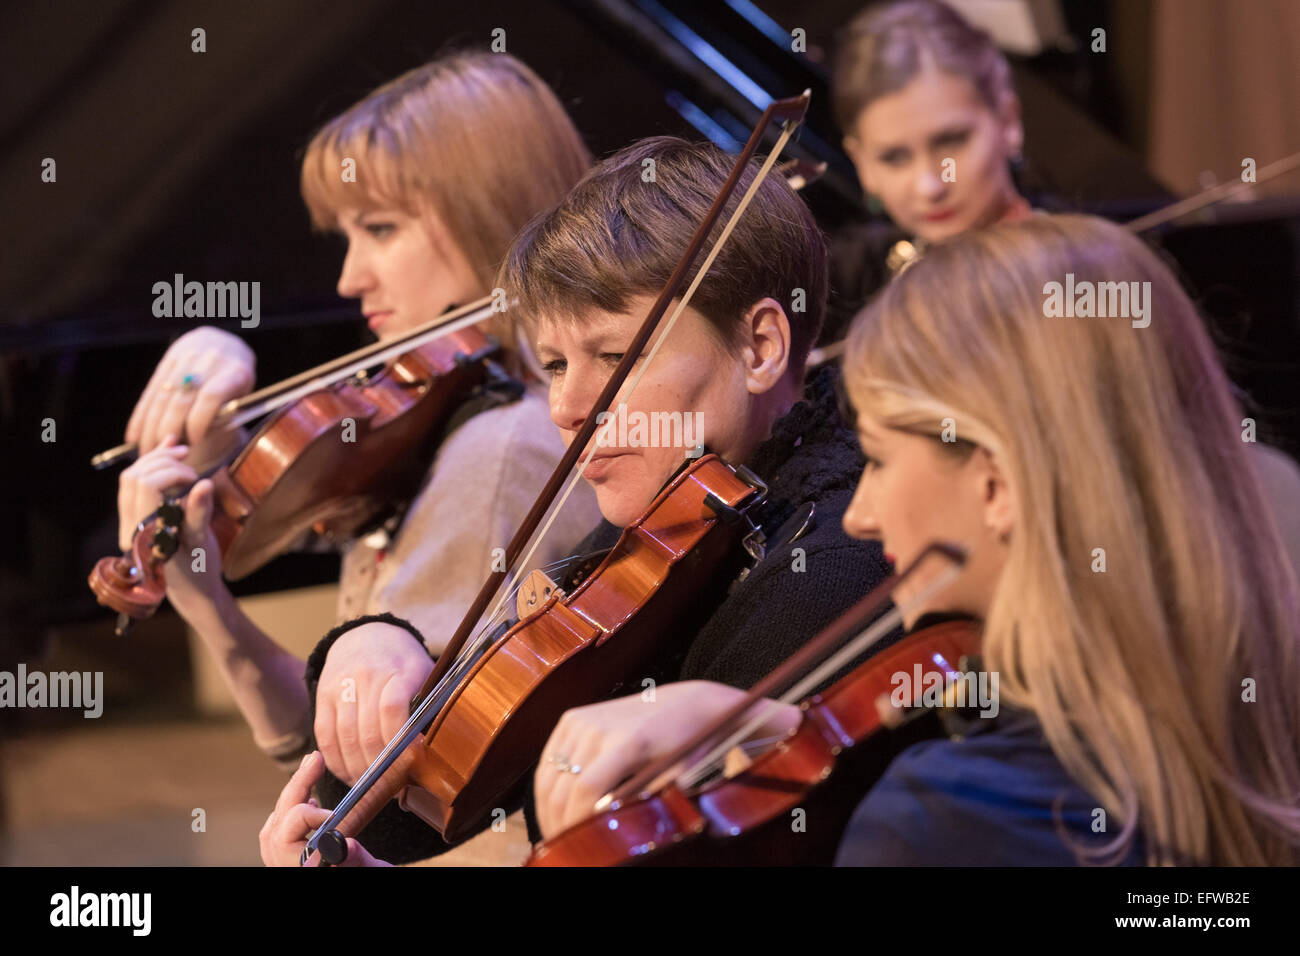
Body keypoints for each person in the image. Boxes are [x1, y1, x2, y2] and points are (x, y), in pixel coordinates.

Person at [258, 136, 892, 866]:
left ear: (759, 346)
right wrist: (376, 644)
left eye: (617, 356)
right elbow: (414, 805)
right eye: (555, 363)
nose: (567, 405)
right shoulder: (674, 510)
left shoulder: (831, 565)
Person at [115, 51, 602, 843]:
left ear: (491, 212)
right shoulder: (442, 426)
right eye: (344, 235)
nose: (348, 277)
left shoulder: (503, 446)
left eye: (380, 229)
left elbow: (375, 808)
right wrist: (205, 600)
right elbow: (323, 745)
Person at [823, 0, 1037, 343]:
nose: (930, 185)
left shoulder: (1090, 273)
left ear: (1008, 121)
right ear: (861, 163)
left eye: (951, 142)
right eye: (894, 157)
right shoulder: (852, 276)